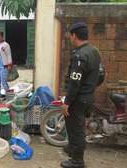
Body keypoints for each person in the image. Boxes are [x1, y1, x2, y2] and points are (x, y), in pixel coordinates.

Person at [61, 22, 101, 168]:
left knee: (76, 129)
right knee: (74, 125)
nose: (70, 39)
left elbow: (74, 82)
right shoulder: (94, 51)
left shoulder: (80, 55)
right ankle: (72, 148)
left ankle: (77, 160)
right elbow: (101, 74)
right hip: (87, 96)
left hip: (78, 99)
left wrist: (67, 102)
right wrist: (90, 87)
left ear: (74, 35)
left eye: (70, 36)